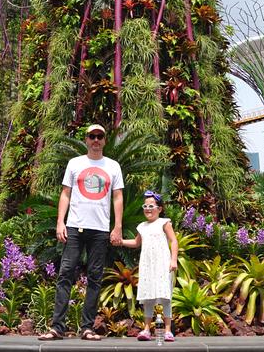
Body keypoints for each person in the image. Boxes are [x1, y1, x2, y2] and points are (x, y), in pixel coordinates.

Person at [39, 124, 124, 341]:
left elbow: (117, 197)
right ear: (86, 139)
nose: (96, 140)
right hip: (75, 227)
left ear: (105, 140)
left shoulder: (113, 166)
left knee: (95, 277)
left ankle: (87, 328)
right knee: (65, 274)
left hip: (100, 230)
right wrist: (60, 222)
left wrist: (117, 226)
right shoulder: (75, 163)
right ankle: (57, 327)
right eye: (92, 136)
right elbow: (65, 194)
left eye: (100, 136)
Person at [119, 190, 178, 342]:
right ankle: (146, 329)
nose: (148, 209)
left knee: (165, 296)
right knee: (148, 297)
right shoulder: (142, 226)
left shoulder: (164, 223)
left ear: (159, 209)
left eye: (151, 206)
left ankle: (167, 330)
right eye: (145, 206)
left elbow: (174, 241)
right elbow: (136, 242)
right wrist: (121, 241)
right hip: (147, 265)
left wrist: (173, 260)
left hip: (162, 264)